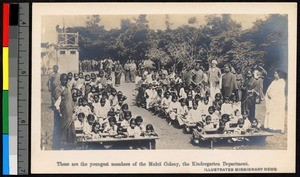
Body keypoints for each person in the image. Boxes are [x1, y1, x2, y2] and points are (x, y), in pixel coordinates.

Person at [53, 73, 76, 149]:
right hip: (63, 112)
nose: (64, 81)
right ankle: (63, 144)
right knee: (63, 127)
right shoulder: (58, 89)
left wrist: (73, 108)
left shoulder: (68, 87)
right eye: (63, 80)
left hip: (69, 110)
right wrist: (59, 112)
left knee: (70, 126)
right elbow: (57, 103)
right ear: (60, 80)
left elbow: (70, 99)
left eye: (66, 80)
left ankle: (71, 144)